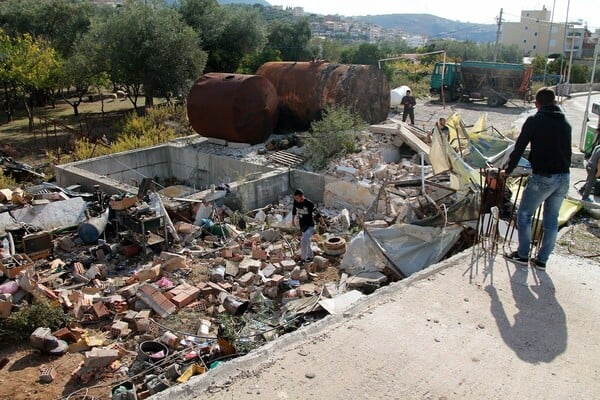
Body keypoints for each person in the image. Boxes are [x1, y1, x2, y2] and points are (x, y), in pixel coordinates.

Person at [502, 87, 571, 272]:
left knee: (524, 215)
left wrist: (508, 170)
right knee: (552, 220)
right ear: (555, 101)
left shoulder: (535, 120)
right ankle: (541, 261)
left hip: (543, 177)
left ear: (536, 104)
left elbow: (519, 148)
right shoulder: (565, 122)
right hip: (564, 177)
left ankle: (523, 255)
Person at [291, 188, 324, 265]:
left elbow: (317, 214)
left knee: (303, 241)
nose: (296, 199)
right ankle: (311, 257)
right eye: (295, 198)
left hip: (310, 226)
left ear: (302, 196)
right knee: (307, 243)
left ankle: (303, 260)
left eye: (297, 198)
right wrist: (292, 220)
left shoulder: (309, 204)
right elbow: (294, 211)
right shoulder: (296, 202)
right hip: (302, 226)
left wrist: (323, 224)